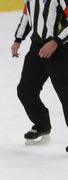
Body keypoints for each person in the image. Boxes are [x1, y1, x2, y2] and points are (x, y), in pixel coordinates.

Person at [11, 1, 68, 146]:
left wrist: (55, 42)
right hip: (37, 49)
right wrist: (18, 39)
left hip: (59, 50)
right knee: (25, 90)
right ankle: (42, 125)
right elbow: (27, 16)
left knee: (65, 93)